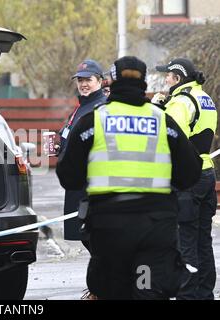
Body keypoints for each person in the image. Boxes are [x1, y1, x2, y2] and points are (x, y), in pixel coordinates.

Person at [56, 56, 203, 299]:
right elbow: (190, 173)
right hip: (154, 228)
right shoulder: (161, 120)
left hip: (109, 228)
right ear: (144, 82)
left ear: (110, 81)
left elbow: (68, 176)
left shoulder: (94, 120)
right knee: (146, 290)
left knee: (114, 291)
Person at [155, 58, 217, 300]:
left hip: (187, 178)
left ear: (178, 78)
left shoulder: (180, 102)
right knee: (203, 241)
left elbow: (170, 138)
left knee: (185, 241)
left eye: (168, 75)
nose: (165, 79)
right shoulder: (205, 97)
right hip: (206, 173)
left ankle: (187, 296)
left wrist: (158, 109)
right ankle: (204, 294)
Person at [58, 59, 107, 245]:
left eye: (88, 80)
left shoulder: (102, 107)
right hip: (77, 184)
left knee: (95, 239)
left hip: (91, 185)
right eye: (80, 80)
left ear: (100, 81)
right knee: (87, 239)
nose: (83, 84)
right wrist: (61, 147)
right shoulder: (81, 107)